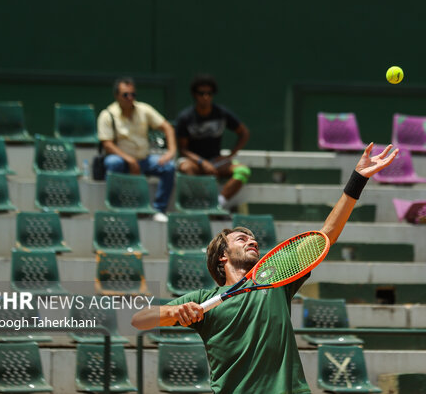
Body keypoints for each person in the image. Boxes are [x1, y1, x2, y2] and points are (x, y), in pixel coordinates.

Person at [131, 143, 398, 394]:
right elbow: (140, 319)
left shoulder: (277, 278)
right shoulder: (203, 301)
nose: (253, 241)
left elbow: (326, 234)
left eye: (253, 239)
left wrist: (358, 179)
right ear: (222, 257)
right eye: (242, 239)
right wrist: (175, 310)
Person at [98, 77, 176, 222]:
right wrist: (129, 160)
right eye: (125, 95)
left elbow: (167, 127)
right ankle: (116, 208)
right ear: (117, 96)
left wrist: (171, 152)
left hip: (144, 160)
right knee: (112, 163)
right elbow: (107, 144)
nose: (130, 98)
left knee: (169, 167)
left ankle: (159, 210)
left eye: (133, 94)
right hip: (122, 160)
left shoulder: (144, 109)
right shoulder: (107, 115)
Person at [175, 74, 251, 208]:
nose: (206, 97)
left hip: (216, 161)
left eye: (209, 93)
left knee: (243, 171)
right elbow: (183, 150)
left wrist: (231, 155)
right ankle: (201, 203)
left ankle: (218, 204)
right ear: (194, 95)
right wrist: (202, 162)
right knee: (185, 168)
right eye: (201, 93)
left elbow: (244, 132)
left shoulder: (221, 113)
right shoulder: (185, 117)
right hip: (194, 162)